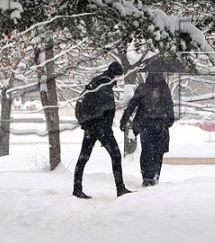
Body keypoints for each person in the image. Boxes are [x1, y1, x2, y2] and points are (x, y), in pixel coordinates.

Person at [73, 61, 133, 199]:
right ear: (116, 74)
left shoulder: (98, 81)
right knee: (116, 155)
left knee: (83, 157)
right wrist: (106, 131)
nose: (119, 78)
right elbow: (107, 110)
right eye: (119, 75)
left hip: (91, 126)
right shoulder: (105, 85)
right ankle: (120, 188)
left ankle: (77, 189)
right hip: (100, 127)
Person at [119, 70, 175, 186]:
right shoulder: (164, 88)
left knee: (146, 150)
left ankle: (146, 176)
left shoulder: (143, 88)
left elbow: (132, 104)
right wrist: (170, 120)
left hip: (145, 124)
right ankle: (155, 175)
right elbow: (169, 105)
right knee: (158, 152)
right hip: (161, 125)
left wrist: (124, 119)